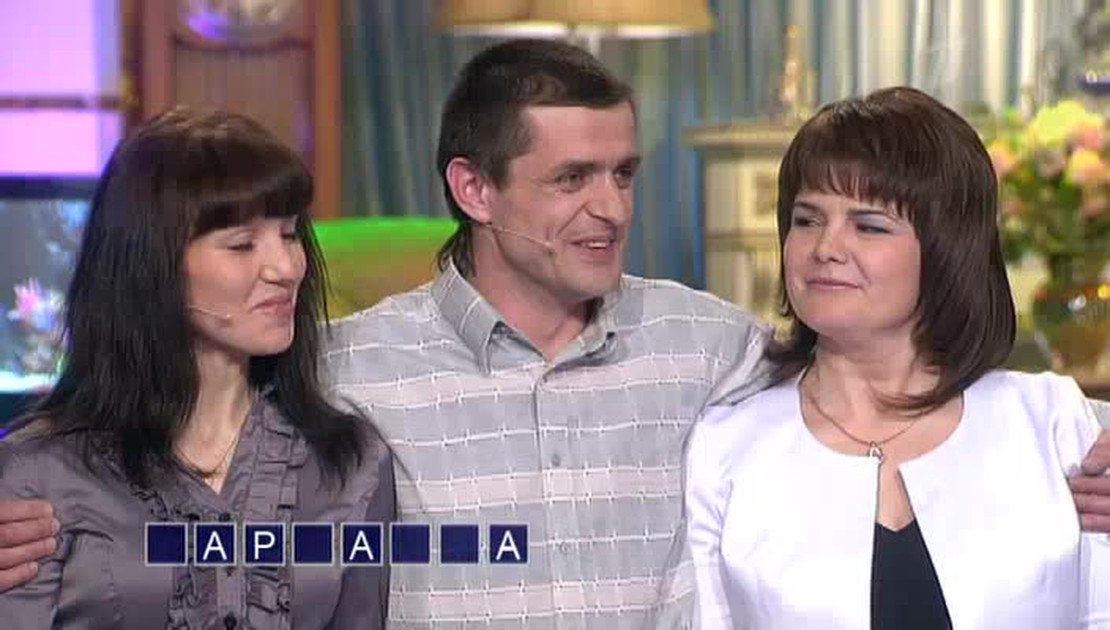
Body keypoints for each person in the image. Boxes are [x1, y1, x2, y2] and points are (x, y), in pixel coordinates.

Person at [3, 39, 1110, 628]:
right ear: (473, 189)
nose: (610, 208)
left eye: (623, 173)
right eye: (572, 178)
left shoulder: (711, 349)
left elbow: (890, 380)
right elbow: (161, 464)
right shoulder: (341, 368)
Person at [685, 87, 1110, 629]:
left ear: (946, 249)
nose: (826, 248)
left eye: (868, 226)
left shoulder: (1049, 423)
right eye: (807, 220)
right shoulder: (726, 449)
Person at [0, 108, 393, 628]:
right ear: (152, 264)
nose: (285, 268)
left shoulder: (351, 462)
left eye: (290, 234)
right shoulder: (38, 473)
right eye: (242, 244)